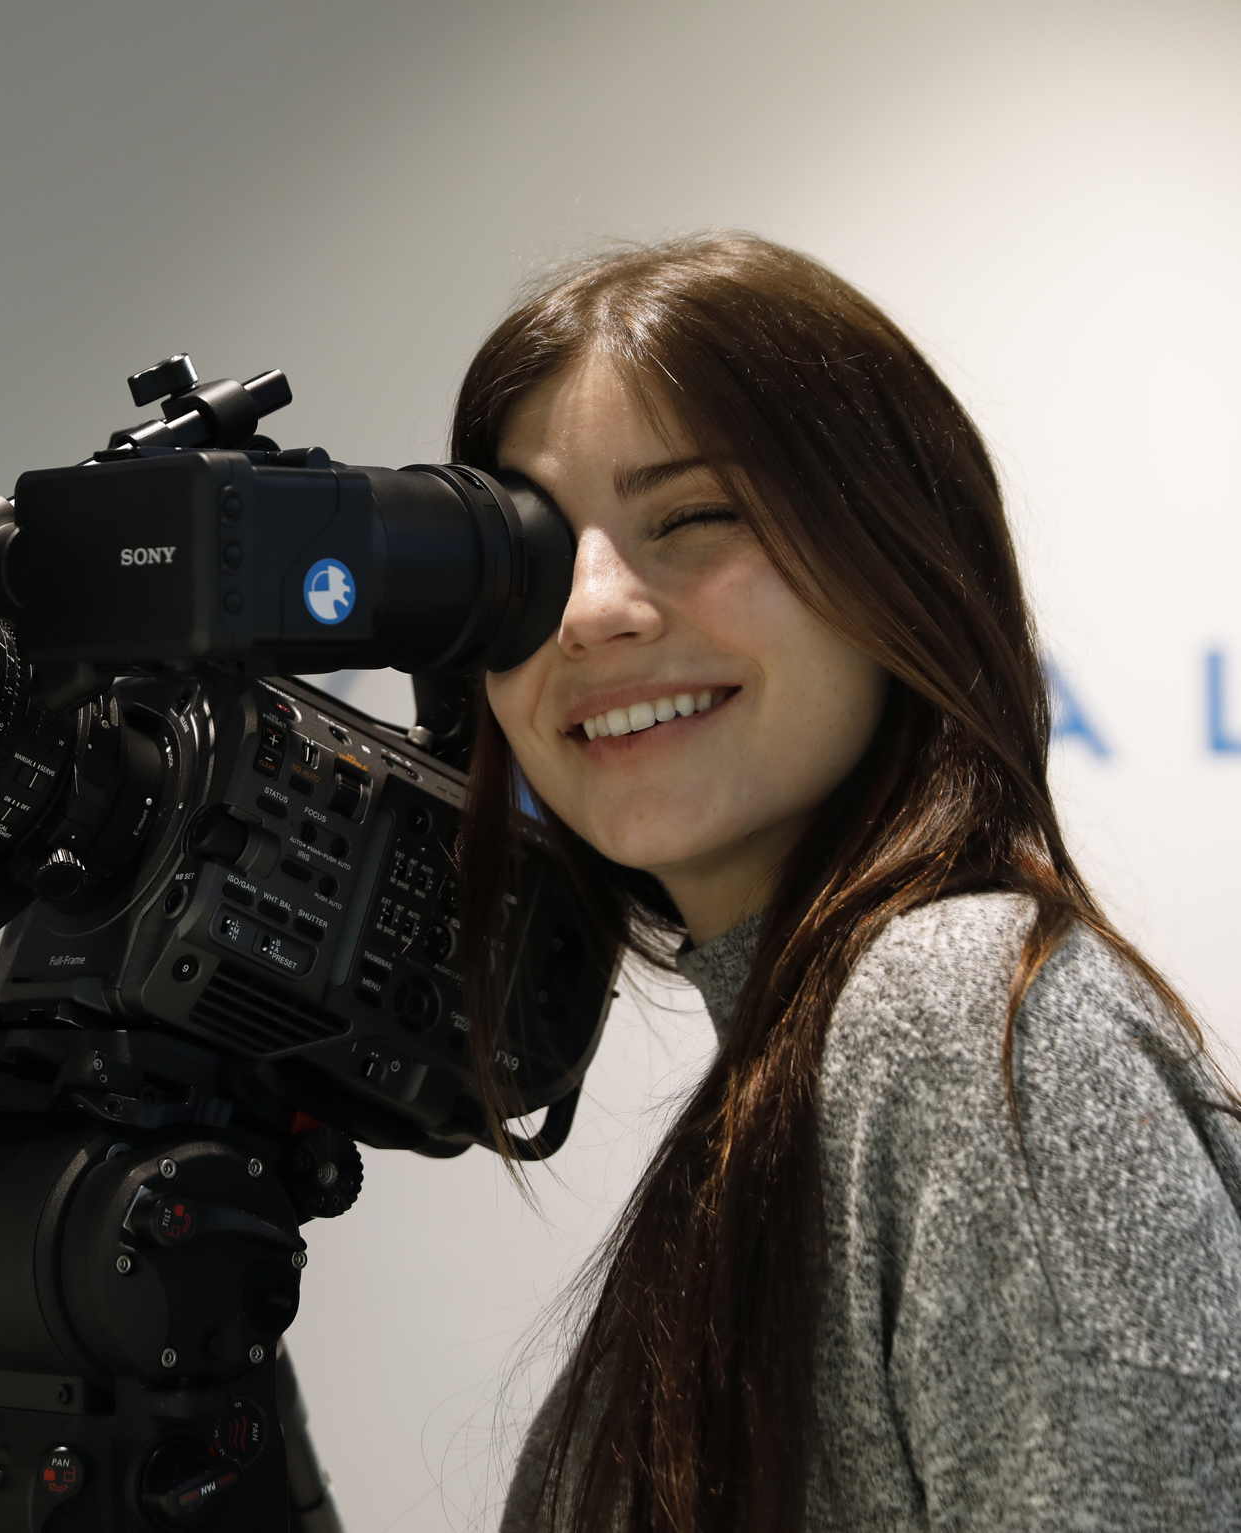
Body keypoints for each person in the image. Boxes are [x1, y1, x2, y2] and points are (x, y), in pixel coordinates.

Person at [451, 235, 1241, 1530]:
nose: (589, 610)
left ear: (895, 552)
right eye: (532, 554)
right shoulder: (800, 1066)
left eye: (692, 518)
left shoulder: (958, 1017)